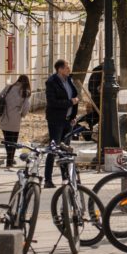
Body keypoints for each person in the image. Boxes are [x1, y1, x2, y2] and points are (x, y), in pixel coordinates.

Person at [44, 60, 79, 188]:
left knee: (65, 150)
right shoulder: (51, 82)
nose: (69, 69)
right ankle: (48, 179)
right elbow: (52, 102)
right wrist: (70, 102)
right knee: (54, 148)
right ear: (59, 69)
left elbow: (74, 96)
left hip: (68, 120)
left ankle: (66, 178)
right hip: (56, 120)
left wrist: (73, 116)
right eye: (66, 67)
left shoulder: (69, 80)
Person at [0, 75, 32, 168]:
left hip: (4, 116)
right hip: (15, 118)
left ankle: (9, 160)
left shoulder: (9, 87)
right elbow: (26, 106)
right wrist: (22, 114)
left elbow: (0, 96)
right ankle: (10, 160)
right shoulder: (25, 91)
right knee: (13, 141)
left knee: (7, 139)